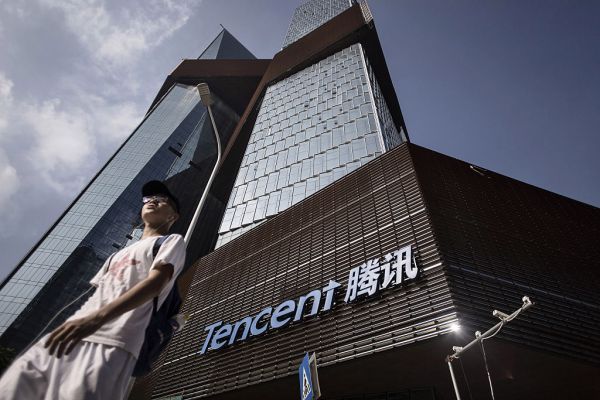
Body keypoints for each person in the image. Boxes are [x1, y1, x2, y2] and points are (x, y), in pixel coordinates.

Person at [0, 180, 186, 400]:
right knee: (11, 387)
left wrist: (97, 319)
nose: (152, 201)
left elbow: (156, 283)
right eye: (149, 198)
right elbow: (99, 295)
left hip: (114, 341)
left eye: (162, 200)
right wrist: (80, 321)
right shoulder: (115, 255)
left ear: (173, 217)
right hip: (70, 333)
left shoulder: (171, 241)